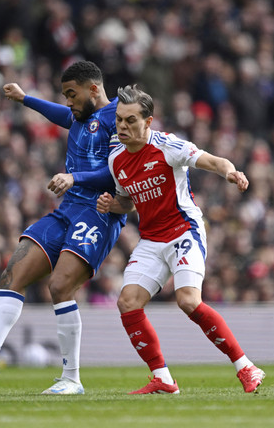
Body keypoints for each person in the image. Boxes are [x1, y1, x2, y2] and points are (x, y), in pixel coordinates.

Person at [0, 60, 125, 395]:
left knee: (60, 286)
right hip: (67, 209)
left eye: (72, 94)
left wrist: (74, 177)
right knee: (14, 273)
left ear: (94, 89)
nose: (68, 101)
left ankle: (72, 378)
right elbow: (61, 115)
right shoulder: (80, 116)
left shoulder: (119, 119)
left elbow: (117, 173)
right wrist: (26, 99)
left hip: (99, 212)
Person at [97, 85, 265, 394]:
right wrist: (112, 205)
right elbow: (129, 202)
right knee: (127, 302)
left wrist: (232, 172)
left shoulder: (168, 146)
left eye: (131, 120)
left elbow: (214, 161)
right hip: (150, 239)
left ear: (148, 122)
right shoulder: (115, 159)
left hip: (183, 231)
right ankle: (162, 378)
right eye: (119, 120)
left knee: (188, 300)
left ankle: (247, 367)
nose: (123, 126)